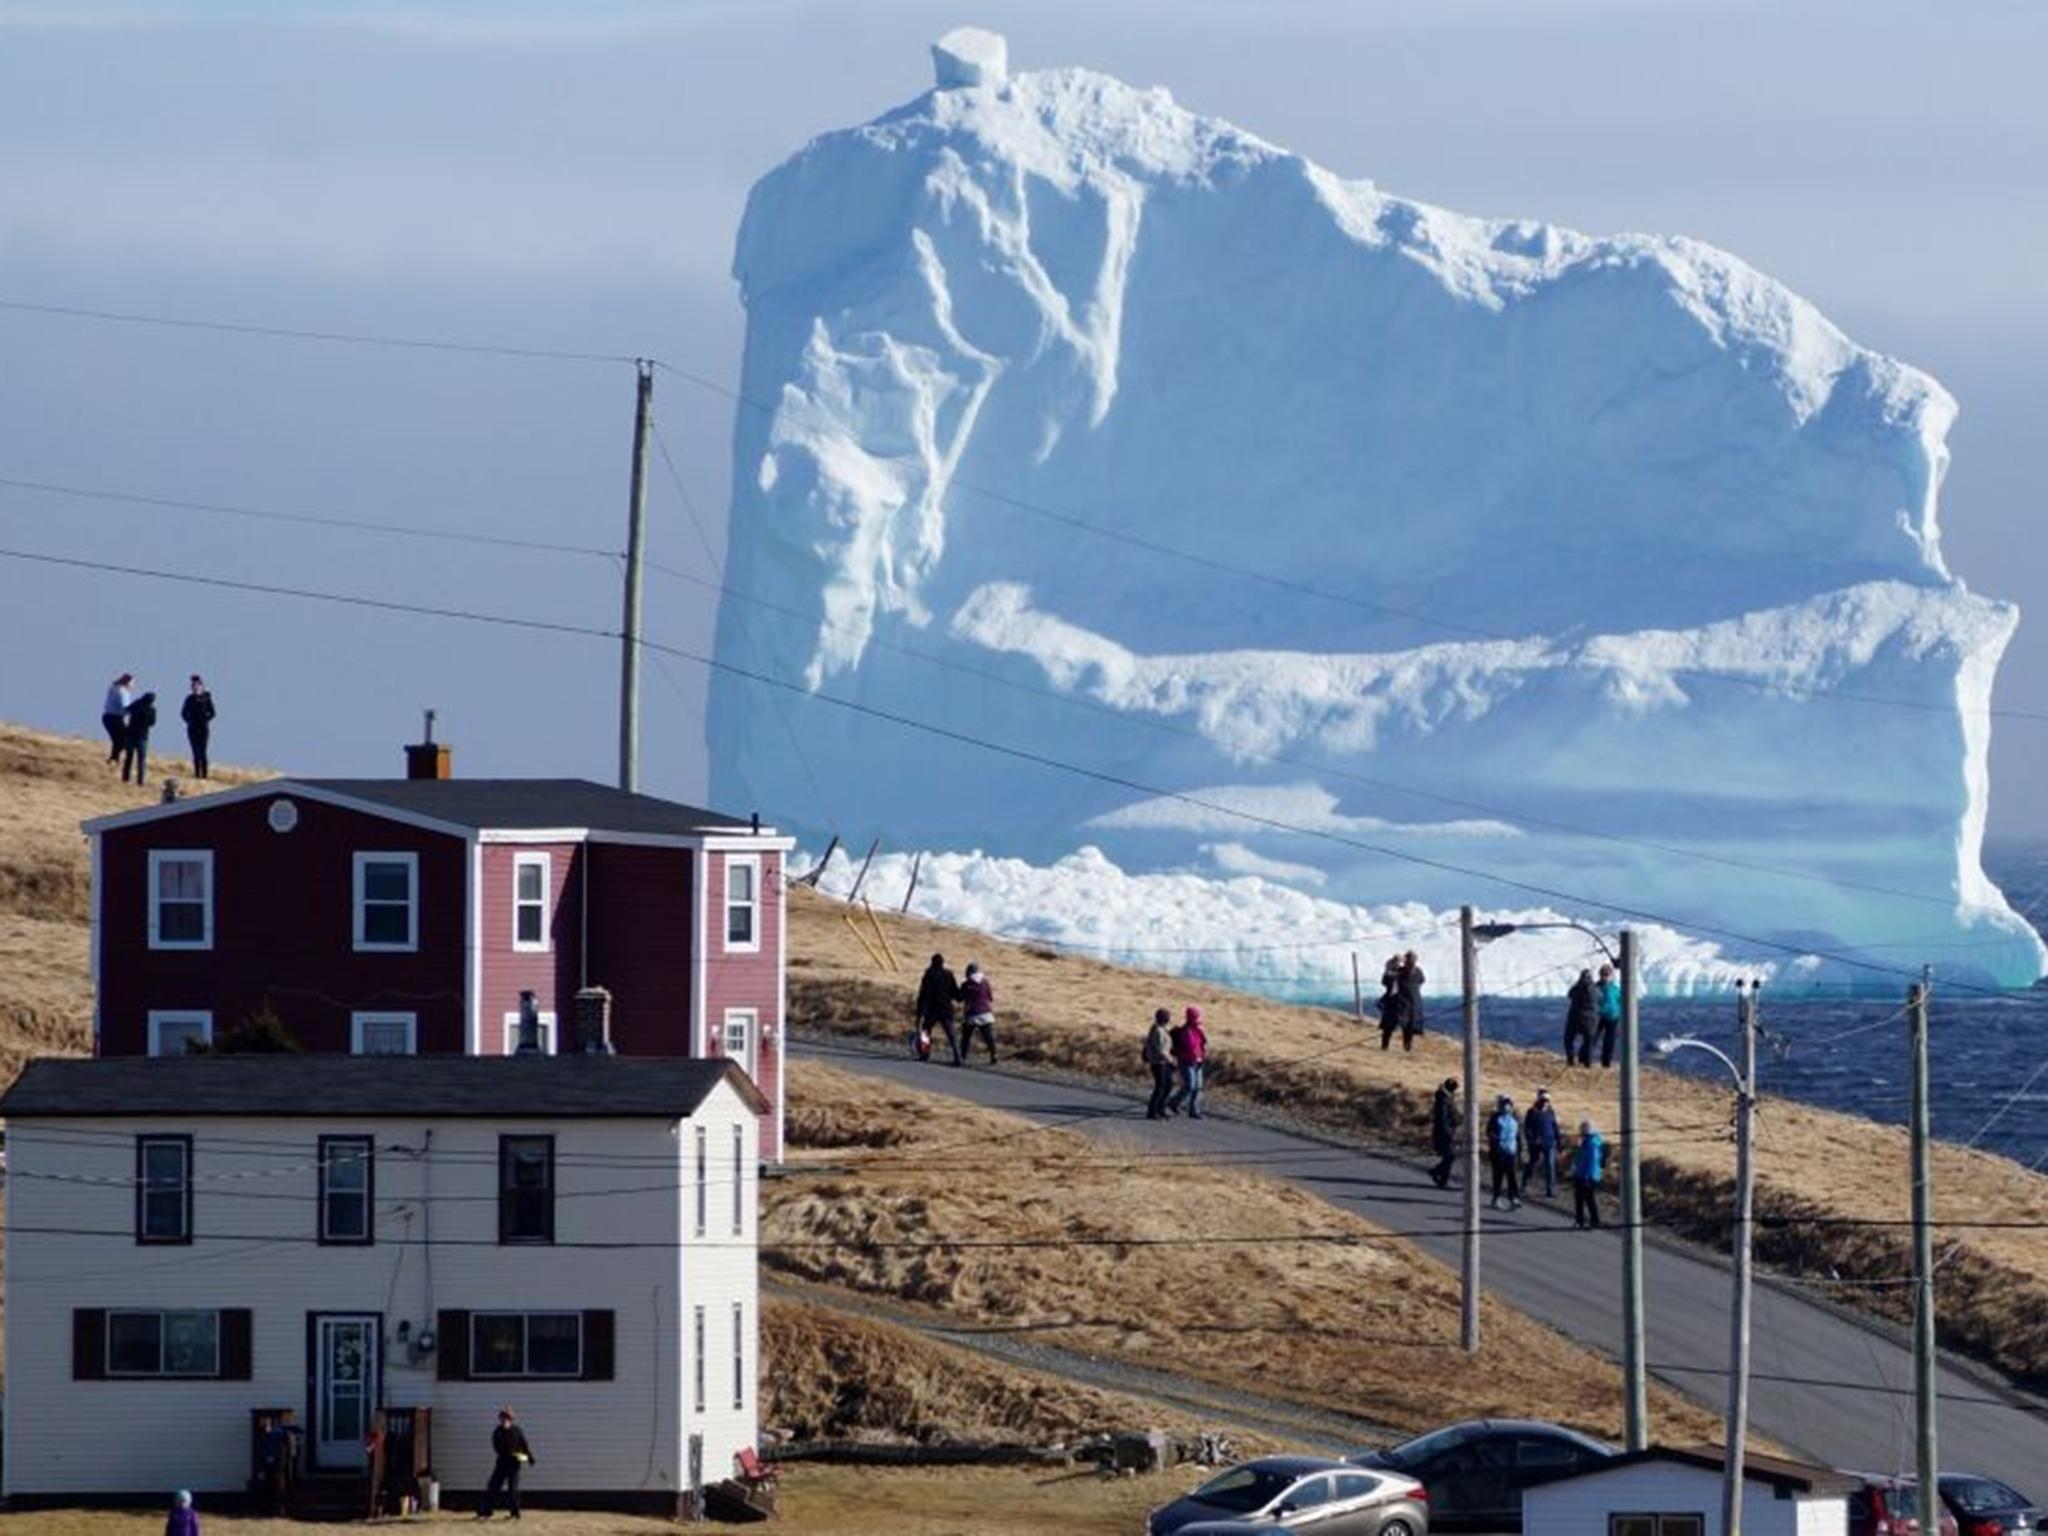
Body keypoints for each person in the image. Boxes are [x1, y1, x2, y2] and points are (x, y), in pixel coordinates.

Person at [477, 1406, 535, 1520]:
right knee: (493, 1487)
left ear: (511, 1418)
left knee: (513, 1489)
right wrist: (509, 1453)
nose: (505, 1419)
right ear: (500, 1418)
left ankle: (515, 1514)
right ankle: (485, 1512)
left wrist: (529, 1458)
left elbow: (524, 1445)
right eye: (503, 1417)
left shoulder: (517, 1430)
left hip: (514, 1465)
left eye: (507, 1417)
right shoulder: (498, 1432)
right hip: (502, 1463)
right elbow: (497, 1447)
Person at [914, 953, 962, 1066]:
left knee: (926, 1032)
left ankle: (925, 1054)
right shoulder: (948, 974)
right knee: (951, 1035)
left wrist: (919, 1012)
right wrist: (963, 995)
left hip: (932, 1009)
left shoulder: (928, 974)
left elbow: (923, 994)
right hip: (946, 1008)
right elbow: (955, 992)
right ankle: (957, 1057)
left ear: (932, 962)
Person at [1167, 1005, 1208, 1119]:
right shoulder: (1183, 1032)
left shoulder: (1199, 1030)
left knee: (1197, 1087)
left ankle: (1194, 1111)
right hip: (1186, 1062)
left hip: (1198, 1062)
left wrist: (1202, 1056)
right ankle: (1173, 1102)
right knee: (1190, 1086)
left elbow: (1203, 1045)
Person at [1485, 1093, 1522, 1210]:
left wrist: (1519, 1151)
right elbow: (1490, 1132)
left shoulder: (1514, 1119)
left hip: (1511, 1151)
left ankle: (1513, 1198)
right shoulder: (1495, 1118)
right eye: (1504, 1104)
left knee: (1511, 1176)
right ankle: (1496, 1198)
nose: (1507, 1107)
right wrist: (1497, 1142)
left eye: (1509, 1105)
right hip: (1498, 1152)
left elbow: (1518, 1136)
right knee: (1498, 1177)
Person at [1522, 1088, 1560, 1198]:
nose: (1545, 1103)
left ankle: (1550, 1189)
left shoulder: (1551, 1112)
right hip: (1535, 1143)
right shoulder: (1532, 1112)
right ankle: (1525, 1184)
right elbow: (1527, 1128)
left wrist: (1558, 1141)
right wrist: (1530, 1139)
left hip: (1549, 1142)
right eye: (1543, 1100)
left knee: (1550, 1165)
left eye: (1547, 1101)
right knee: (1532, 1163)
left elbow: (1555, 1127)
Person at [958, 962, 997, 1064]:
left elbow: (960, 998)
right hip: (986, 1013)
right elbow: (990, 998)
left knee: (966, 1037)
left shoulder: (967, 984)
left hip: (972, 1013)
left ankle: (963, 1057)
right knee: (988, 1036)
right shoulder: (985, 982)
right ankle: (994, 1054)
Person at [1571, 1118, 1606, 1229]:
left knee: (1587, 1199)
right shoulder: (1589, 1142)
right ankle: (1584, 1220)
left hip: (1587, 1177)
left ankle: (1591, 1221)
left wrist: (1585, 1177)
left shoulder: (1591, 1144)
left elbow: (1591, 1162)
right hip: (1584, 1175)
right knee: (1582, 1199)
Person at [1143, 1007, 1176, 1119]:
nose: (1167, 1018)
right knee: (1160, 1087)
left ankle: (1160, 1109)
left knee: (1168, 1085)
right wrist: (1171, 1061)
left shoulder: (1161, 1028)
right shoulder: (1157, 1030)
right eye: (1166, 1017)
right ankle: (1152, 1111)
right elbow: (1161, 1050)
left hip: (1163, 1062)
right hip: (1158, 1062)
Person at [181, 675, 216, 780]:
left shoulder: (206, 698)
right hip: (192, 728)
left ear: (201, 686)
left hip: (203, 728)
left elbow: (213, 713)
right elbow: (183, 713)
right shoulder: (189, 699)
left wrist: (206, 719)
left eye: (196, 686)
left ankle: (204, 775)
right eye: (193, 686)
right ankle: (197, 775)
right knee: (195, 752)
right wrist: (189, 721)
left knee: (203, 752)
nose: (194, 688)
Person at [1429, 1076, 1461, 1188]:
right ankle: (1441, 1176)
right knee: (1449, 1155)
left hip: (1447, 1130)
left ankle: (1440, 1175)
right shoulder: (1443, 1100)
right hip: (1443, 1132)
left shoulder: (1446, 1098)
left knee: (1449, 1156)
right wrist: (1448, 1131)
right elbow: (1442, 1118)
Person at [1563, 969, 1598, 1068]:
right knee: (1589, 1041)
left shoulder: (1576, 988)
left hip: (1575, 1018)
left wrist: (1577, 984)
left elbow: (1570, 994)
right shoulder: (1595, 989)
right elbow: (1600, 997)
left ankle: (1570, 1059)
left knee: (1568, 1039)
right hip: (1590, 1020)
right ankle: (1588, 1062)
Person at [122, 689, 158, 786]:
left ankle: (126, 779)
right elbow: (153, 723)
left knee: (129, 758)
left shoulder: (137, 704)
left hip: (131, 734)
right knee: (141, 760)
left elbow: (126, 710)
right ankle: (140, 782)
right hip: (142, 736)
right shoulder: (152, 709)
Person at [1395, 951, 1426, 1048]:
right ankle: (1408, 1044)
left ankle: (1407, 1044)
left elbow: (1390, 977)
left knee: (1406, 1022)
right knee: (1411, 1021)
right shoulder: (1418, 971)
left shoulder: (1400, 971)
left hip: (1404, 999)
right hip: (1414, 999)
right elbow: (1422, 980)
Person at [102, 672, 134, 765]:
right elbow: (124, 707)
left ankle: (114, 759)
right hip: (114, 718)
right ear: (127, 682)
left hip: (108, 717)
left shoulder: (114, 687)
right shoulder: (122, 691)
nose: (133, 685)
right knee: (122, 739)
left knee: (118, 739)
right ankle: (114, 759)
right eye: (132, 682)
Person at [1376, 954, 1407, 1050]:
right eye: (1395, 962)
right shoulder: (1389, 973)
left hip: (1402, 1002)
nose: (1397, 963)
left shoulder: (1404, 972)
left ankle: (1406, 1047)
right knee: (1387, 1026)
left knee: (1405, 1025)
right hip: (1391, 1002)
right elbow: (1384, 982)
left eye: (1399, 962)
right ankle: (1384, 1046)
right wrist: (1389, 972)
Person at [1595, 963, 1623, 1069]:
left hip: (1613, 1018)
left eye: (1607, 974)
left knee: (1609, 1041)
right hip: (1599, 1017)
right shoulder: (1596, 988)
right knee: (1593, 1038)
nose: (1605, 977)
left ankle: (1606, 1063)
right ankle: (1585, 1059)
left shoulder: (1615, 988)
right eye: (1603, 974)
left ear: (1611, 975)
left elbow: (1620, 1001)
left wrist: (1619, 1012)